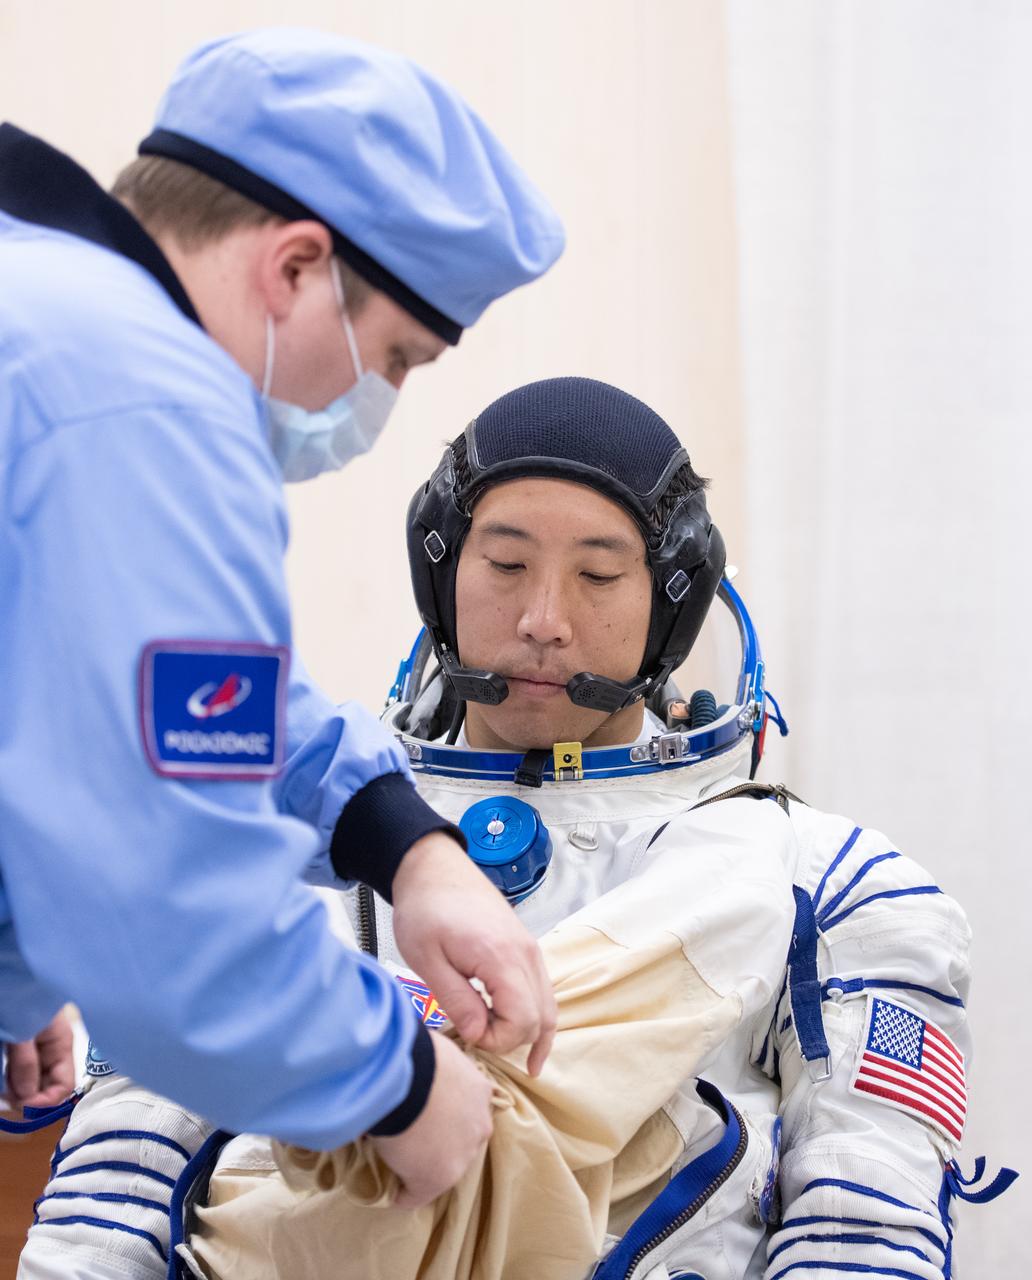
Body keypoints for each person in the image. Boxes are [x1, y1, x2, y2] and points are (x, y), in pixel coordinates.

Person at [21, 378, 1014, 1279]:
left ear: (673, 603)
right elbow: (112, 1198)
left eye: (597, 576)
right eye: (503, 562)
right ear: (441, 572)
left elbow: (865, 1235)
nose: (544, 618)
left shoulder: (826, 883)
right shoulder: (274, 854)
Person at [0, 25, 567, 1212]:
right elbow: (172, 934)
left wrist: (400, 836)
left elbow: (119, 682)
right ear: (298, 267)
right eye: (396, 358)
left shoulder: (39, 313)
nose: (374, 405)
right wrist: (400, 1081)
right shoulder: (138, 403)